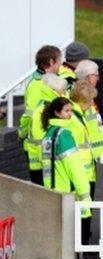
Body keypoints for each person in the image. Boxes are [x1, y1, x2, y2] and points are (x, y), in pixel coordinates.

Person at [39, 98, 92, 226]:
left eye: (71, 111)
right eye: (66, 111)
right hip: (67, 193)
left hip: (52, 190)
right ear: (57, 113)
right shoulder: (64, 135)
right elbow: (75, 169)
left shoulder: (49, 134)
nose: (70, 114)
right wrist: (86, 198)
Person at [20, 46, 63, 181]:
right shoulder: (38, 85)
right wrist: (21, 134)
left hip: (46, 144)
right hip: (39, 147)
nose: (61, 63)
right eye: (59, 60)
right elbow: (29, 115)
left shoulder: (45, 81)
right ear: (51, 61)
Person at [69, 82, 99, 247]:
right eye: (91, 100)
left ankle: (83, 247)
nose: (93, 103)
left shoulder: (78, 114)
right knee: (82, 213)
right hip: (81, 175)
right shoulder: (74, 118)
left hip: (85, 173)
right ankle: (81, 250)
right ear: (85, 99)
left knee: (84, 212)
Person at [26, 74, 69, 185]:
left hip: (41, 165)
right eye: (63, 91)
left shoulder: (43, 107)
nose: (65, 94)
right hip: (44, 167)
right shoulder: (44, 110)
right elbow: (44, 141)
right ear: (54, 91)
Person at [73, 61, 103, 160]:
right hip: (85, 154)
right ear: (88, 77)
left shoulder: (88, 95)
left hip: (92, 152)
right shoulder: (81, 97)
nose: (98, 78)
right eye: (96, 75)